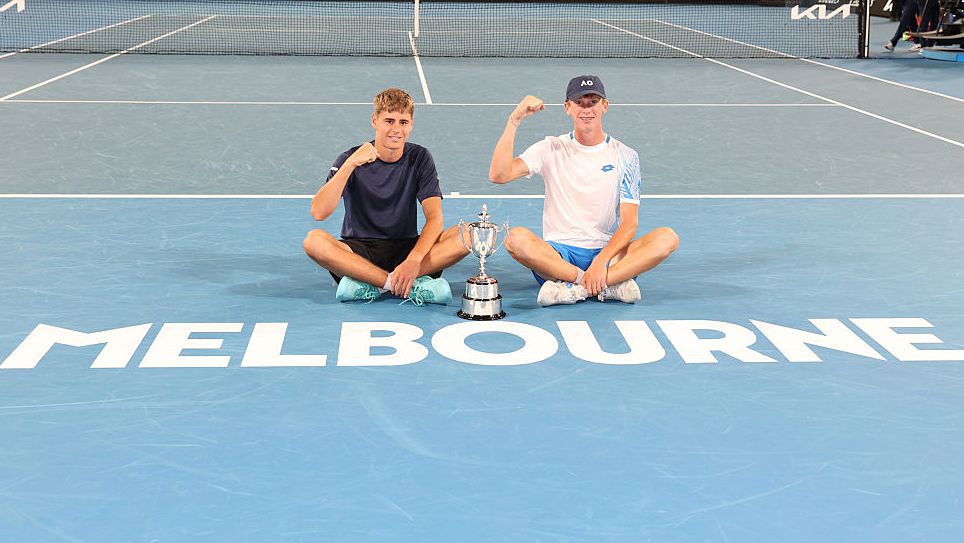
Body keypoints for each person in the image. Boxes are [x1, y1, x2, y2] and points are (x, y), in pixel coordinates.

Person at [488, 75, 679, 307]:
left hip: (608, 256)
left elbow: (630, 223)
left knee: (667, 238)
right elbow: (499, 174)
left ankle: (573, 289)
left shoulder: (626, 156)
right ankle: (603, 286)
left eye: (593, 102)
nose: (586, 109)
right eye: (579, 102)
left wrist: (601, 262)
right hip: (559, 258)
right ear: (567, 107)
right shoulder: (550, 147)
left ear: (604, 106)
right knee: (515, 239)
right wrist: (514, 120)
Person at [303, 87, 469, 305]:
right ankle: (401, 284)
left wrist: (414, 260)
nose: (396, 129)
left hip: (407, 249)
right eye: (389, 121)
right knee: (314, 241)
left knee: (468, 233)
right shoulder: (350, 158)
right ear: (375, 121)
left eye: (403, 122)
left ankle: (373, 284)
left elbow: (435, 218)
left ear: (411, 124)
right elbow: (319, 212)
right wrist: (350, 164)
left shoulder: (420, 157)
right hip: (360, 252)